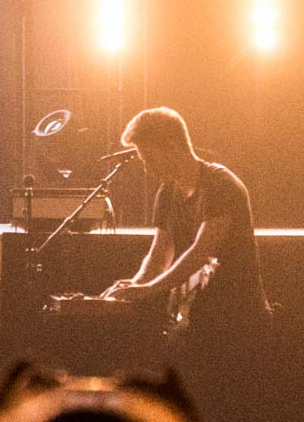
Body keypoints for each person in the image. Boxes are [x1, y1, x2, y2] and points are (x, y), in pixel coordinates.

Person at [102, 106, 271, 399]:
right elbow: (158, 254)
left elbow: (201, 252)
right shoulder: (168, 193)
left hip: (238, 324)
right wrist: (135, 284)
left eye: (149, 158)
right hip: (195, 325)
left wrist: (148, 289)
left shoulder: (221, 185)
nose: (147, 168)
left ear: (172, 146)